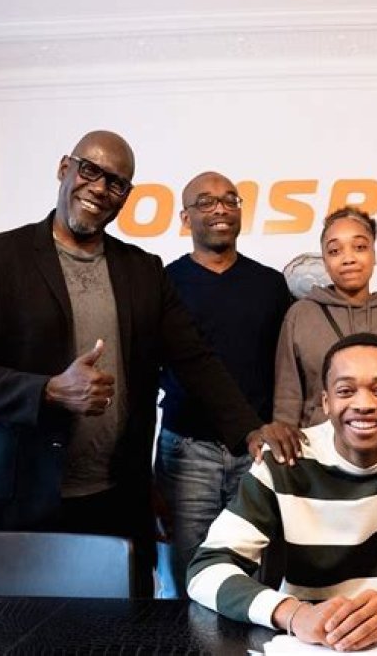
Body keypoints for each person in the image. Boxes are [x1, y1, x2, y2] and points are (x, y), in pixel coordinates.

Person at [0, 131, 301, 596]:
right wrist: (48, 390)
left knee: (126, 624)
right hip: (27, 499)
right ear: (65, 168)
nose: (100, 188)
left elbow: (194, 358)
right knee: (24, 626)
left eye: (116, 183)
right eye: (90, 171)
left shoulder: (142, 270)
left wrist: (249, 429)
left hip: (117, 499)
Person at [188, 332, 377, 651]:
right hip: (310, 641)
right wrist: (294, 613)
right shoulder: (285, 459)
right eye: (346, 391)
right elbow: (206, 568)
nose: (363, 405)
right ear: (326, 402)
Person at [155, 171, 291, 598]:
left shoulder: (270, 285)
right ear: (185, 217)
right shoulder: (164, 283)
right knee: (187, 578)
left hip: (254, 454)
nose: (220, 209)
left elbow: (288, 368)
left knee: (252, 581)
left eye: (230, 200)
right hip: (187, 451)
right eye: (206, 201)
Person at [274, 206, 377, 428]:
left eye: (359, 247)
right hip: (317, 444)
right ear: (325, 261)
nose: (348, 258)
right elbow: (287, 399)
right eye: (335, 251)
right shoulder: (300, 315)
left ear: (374, 254)